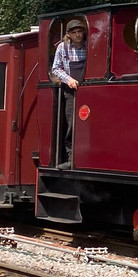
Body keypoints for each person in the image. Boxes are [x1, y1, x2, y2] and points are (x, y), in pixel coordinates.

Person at [50, 18, 87, 167]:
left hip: (87, 89)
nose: (78, 35)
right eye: (75, 32)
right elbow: (56, 69)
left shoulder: (89, 45)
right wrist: (69, 80)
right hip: (71, 91)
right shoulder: (62, 48)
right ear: (69, 34)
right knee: (72, 124)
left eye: (80, 31)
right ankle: (71, 157)